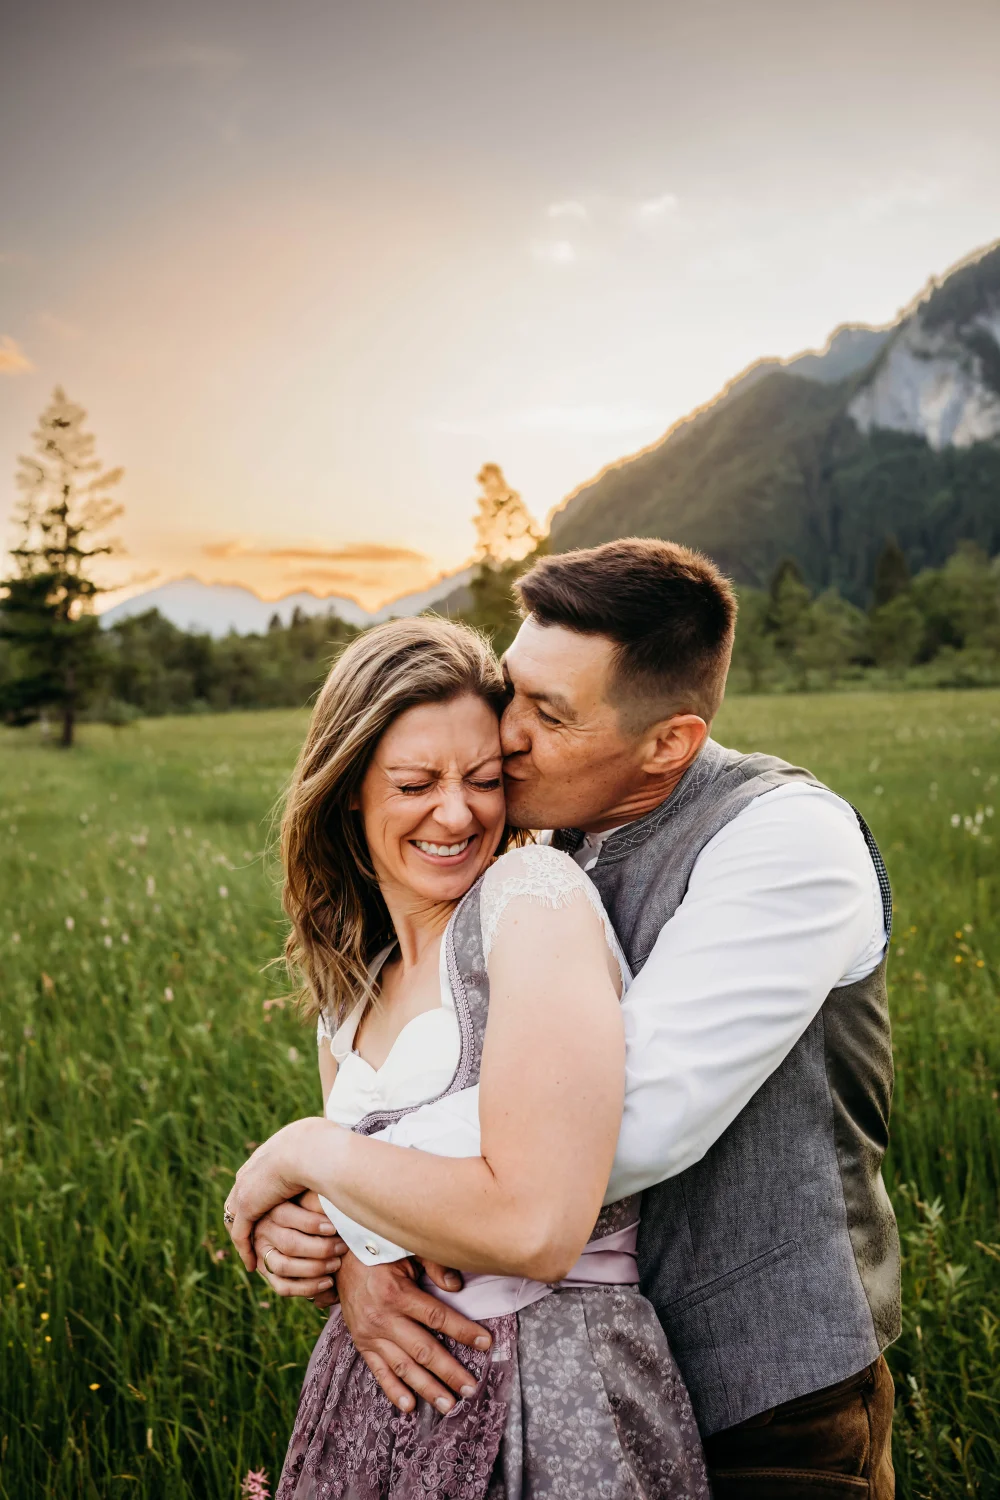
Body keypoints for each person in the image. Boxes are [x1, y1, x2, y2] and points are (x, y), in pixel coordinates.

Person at [253, 538, 899, 1499]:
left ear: (668, 743)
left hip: (767, 1393)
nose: (504, 738)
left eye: (547, 715)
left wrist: (323, 1179)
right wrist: (351, 1245)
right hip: (529, 1370)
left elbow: (620, 1126)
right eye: (514, 691)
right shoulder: (523, 844)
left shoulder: (784, 838)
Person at [224, 616, 709, 1499]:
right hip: (377, 1391)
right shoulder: (352, 989)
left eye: (484, 780)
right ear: (347, 794)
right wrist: (334, 1253)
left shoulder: (529, 898)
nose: (459, 813)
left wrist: (307, 1154)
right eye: (415, 784)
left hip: (546, 1383)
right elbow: (390, 1199)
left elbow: (535, 1227)